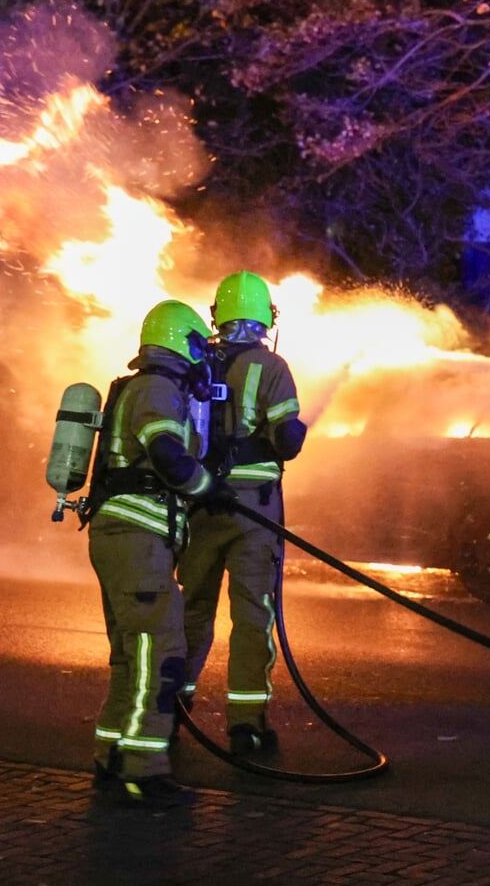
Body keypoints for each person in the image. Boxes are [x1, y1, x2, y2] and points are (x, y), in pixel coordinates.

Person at [86, 299, 222, 805]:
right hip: (137, 541)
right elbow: (166, 452)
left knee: (130, 657)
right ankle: (145, 772)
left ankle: (112, 756)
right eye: (198, 345)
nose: (203, 356)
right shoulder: (158, 388)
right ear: (181, 343)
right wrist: (207, 486)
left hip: (125, 540)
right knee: (161, 655)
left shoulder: (143, 387)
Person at [179, 271, 308, 756]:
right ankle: (246, 724)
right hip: (254, 512)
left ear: (218, 315)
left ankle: (171, 707)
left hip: (198, 505)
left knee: (191, 608)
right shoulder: (270, 367)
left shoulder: (193, 364)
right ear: (265, 318)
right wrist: (296, 431)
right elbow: (286, 441)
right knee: (253, 615)